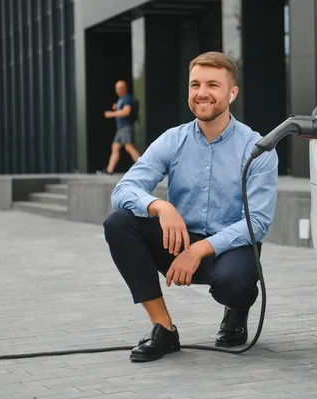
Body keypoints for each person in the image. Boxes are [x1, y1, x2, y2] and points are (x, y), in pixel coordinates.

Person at [102, 51, 279, 362]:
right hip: (177, 241)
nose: (202, 93)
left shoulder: (257, 149)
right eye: (195, 84)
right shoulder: (173, 140)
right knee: (119, 223)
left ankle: (235, 312)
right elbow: (124, 189)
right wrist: (160, 207)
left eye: (213, 85)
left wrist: (198, 251)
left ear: (232, 93)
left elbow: (258, 223)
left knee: (234, 284)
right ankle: (163, 328)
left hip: (228, 246)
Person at [97, 80, 141, 175]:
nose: (118, 90)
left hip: (126, 127)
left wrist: (111, 114)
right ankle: (109, 170)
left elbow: (126, 112)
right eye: (117, 88)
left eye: (120, 88)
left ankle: (144, 167)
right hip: (121, 128)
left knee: (129, 147)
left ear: (125, 88)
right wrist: (117, 107)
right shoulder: (122, 100)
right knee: (115, 147)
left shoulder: (127, 99)